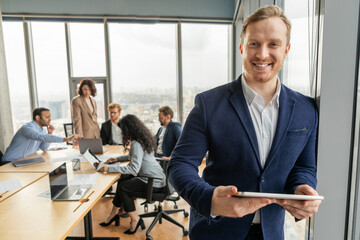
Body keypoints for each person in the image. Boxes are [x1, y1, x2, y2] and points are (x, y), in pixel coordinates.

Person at [167, 5, 321, 240]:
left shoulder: (306, 109)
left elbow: (303, 168)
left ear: (286, 49)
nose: (262, 54)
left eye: (273, 44)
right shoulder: (208, 104)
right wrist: (210, 199)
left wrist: (301, 190)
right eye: (254, 44)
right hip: (216, 230)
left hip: (271, 232)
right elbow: (180, 164)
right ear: (241, 48)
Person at [96, 114, 166, 234]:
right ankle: (114, 213)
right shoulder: (142, 139)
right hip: (157, 178)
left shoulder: (136, 143)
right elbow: (133, 156)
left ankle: (135, 219)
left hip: (152, 181)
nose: (122, 132)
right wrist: (117, 159)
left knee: (124, 187)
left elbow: (134, 169)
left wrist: (109, 169)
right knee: (123, 179)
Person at [1, 108, 79, 164]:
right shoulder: (27, 128)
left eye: (50, 117)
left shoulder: (43, 130)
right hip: (9, 162)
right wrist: (67, 139)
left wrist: (50, 133)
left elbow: (44, 148)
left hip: (23, 161)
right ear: (38, 118)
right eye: (47, 117)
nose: (50, 119)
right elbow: (40, 137)